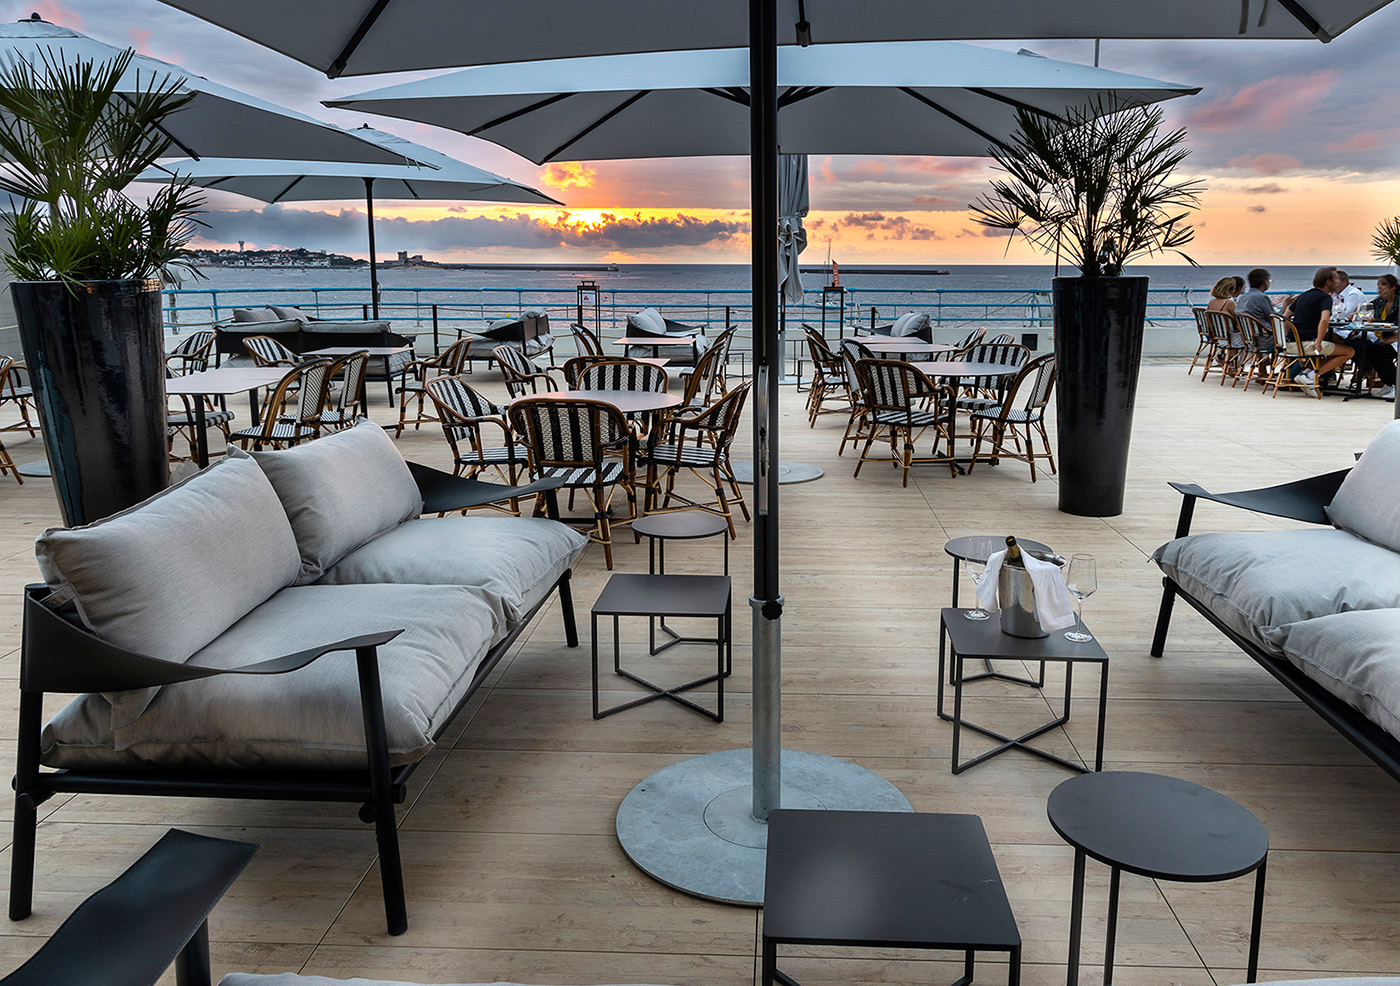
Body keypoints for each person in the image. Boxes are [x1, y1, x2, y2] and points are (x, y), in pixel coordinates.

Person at [1284, 266, 1354, 393]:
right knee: (1349, 351)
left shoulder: (1304, 295)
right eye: (1336, 279)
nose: (1338, 282)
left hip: (1290, 343)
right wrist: (1318, 342)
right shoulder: (1325, 298)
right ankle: (1311, 376)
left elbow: (1285, 316)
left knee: (1334, 346)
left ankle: (1306, 373)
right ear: (1328, 282)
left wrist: (1285, 337)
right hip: (1306, 344)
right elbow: (1324, 320)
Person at [1363, 273, 1398, 399]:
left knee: (1378, 353)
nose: (1379, 288)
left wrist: (1389, 340)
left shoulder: (1398, 302)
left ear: (1393, 287)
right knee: (1368, 350)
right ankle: (1389, 383)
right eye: (1378, 285)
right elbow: (1366, 309)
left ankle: (1396, 385)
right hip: (1384, 337)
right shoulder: (1380, 301)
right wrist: (1357, 313)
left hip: (1396, 339)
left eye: (1383, 285)